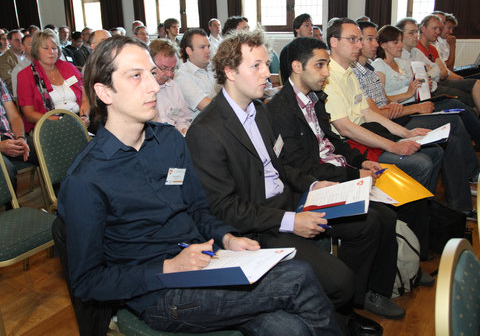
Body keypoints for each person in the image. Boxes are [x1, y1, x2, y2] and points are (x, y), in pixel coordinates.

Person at [58, 35, 341, 336]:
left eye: (152, 74)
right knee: (296, 276)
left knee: (289, 328)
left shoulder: (168, 141)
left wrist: (227, 238)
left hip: (208, 261)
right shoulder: (86, 179)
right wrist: (169, 267)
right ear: (104, 92)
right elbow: (87, 282)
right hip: (160, 294)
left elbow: (197, 208)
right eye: (136, 76)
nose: (155, 86)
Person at [186, 30, 404, 328]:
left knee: (370, 222)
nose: (268, 73)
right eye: (257, 66)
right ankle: (336, 310)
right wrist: (291, 220)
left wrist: (314, 187)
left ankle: (344, 309)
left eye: (266, 64)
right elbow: (226, 208)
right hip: (261, 225)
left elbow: (281, 166)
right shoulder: (207, 130)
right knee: (340, 281)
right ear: (229, 72)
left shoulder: (259, 110)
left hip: (291, 201)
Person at [324, 18, 442, 193]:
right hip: (350, 145)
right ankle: (407, 213)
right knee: (421, 163)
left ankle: (422, 207)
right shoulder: (328, 76)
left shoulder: (349, 72)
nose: (359, 45)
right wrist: (393, 146)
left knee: (435, 151)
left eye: (359, 40)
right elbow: (345, 128)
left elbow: (369, 113)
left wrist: (407, 133)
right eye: (352, 39)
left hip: (368, 132)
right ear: (334, 42)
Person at [371, 25, 479, 215]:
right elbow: (383, 100)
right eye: (395, 41)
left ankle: (460, 206)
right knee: (454, 120)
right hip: (402, 116)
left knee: (452, 131)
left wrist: (423, 84)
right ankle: (471, 175)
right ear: (384, 45)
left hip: (416, 107)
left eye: (399, 40)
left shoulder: (401, 63)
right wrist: (410, 93)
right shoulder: (379, 65)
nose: (399, 45)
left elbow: (426, 76)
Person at [17, 29, 90, 134]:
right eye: (46, 48)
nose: (51, 52)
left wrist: (85, 116)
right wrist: (62, 122)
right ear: (36, 50)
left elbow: (85, 96)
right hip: (48, 126)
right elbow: (29, 114)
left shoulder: (69, 67)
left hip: (78, 121)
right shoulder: (25, 75)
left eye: (54, 48)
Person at [0, 78, 36, 188]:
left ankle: (62, 195)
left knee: (47, 149)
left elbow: (14, 116)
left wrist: (20, 138)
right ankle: (11, 205)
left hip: (10, 136)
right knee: (5, 170)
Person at [150, 39, 191, 135]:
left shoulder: (173, 86)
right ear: (150, 63)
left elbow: (183, 118)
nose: (169, 74)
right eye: (164, 68)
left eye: (172, 69)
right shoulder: (140, 90)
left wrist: (184, 129)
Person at [175, 28, 216, 119]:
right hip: (201, 128)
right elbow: (206, 106)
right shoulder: (182, 76)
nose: (208, 51)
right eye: (202, 47)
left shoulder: (212, 69)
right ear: (189, 51)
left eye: (208, 46)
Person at [279, 13, 314, 84]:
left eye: (312, 26)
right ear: (297, 29)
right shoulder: (288, 50)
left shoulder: (310, 49)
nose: (311, 29)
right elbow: (290, 76)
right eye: (307, 25)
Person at [11, 34, 33, 98]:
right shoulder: (18, 70)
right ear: (22, 47)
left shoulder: (45, 65)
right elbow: (17, 97)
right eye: (31, 44)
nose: (35, 47)